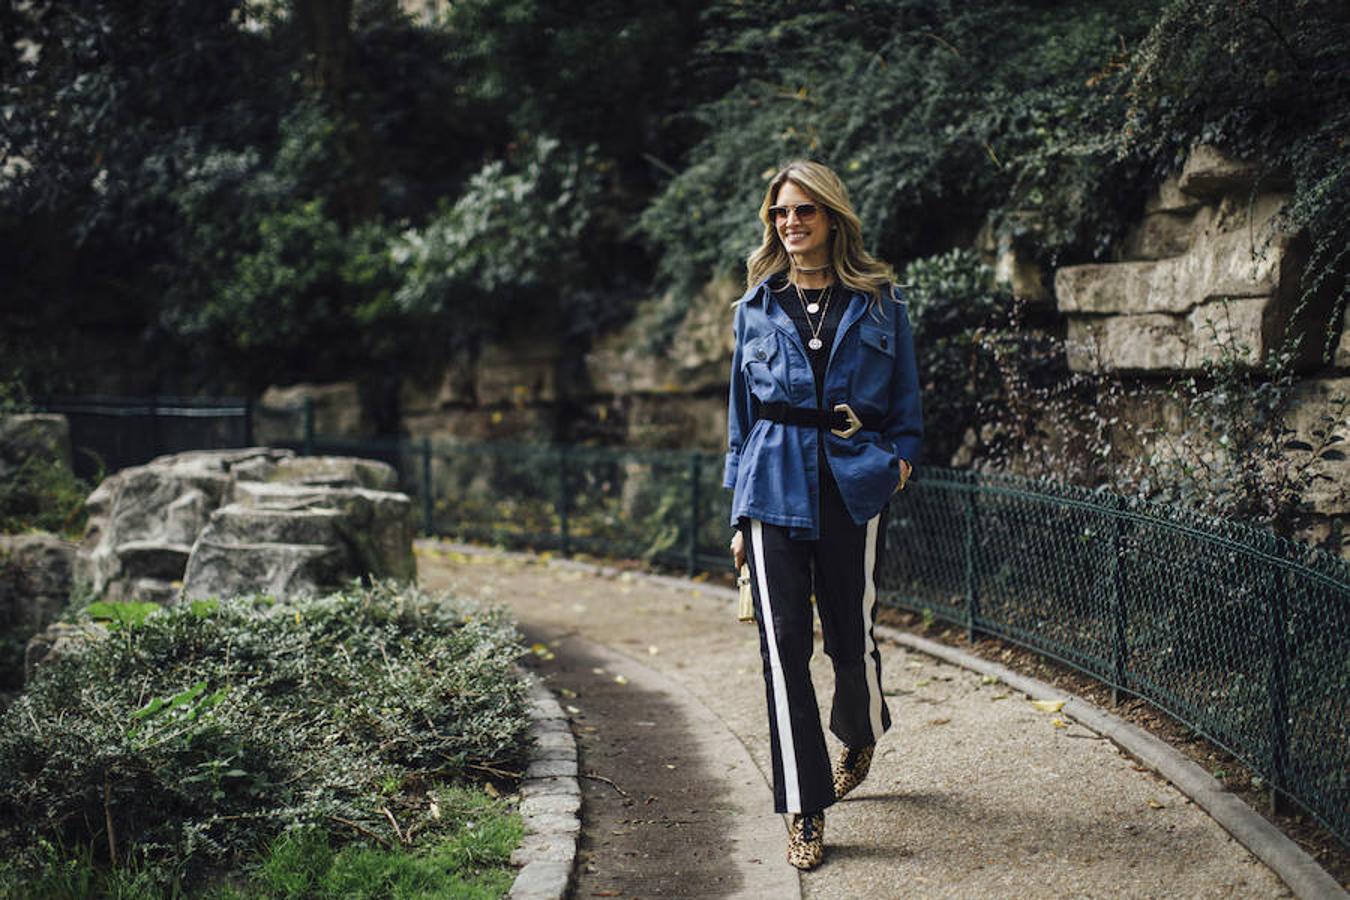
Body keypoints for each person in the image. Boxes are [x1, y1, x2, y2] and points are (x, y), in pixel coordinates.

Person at [724, 159, 922, 870]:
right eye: (781, 213)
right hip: (770, 485)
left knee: (850, 636)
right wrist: (737, 518)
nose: (791, 223)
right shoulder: (755, 306)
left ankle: (860, 732)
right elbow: (740, 419)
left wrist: (896, 462)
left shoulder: (881, 303)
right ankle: (804, 808)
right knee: (782, 652)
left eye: (804, 211)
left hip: (851, 485)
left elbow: (906, 404)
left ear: (832, 218)